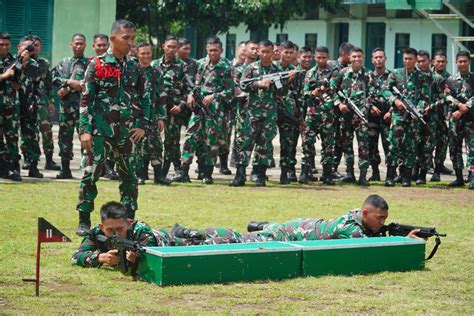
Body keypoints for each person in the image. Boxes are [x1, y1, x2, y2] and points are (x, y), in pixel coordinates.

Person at [76, 19, 151, 236]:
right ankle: (84, 218)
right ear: (113, 39)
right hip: (100, 131)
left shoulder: (134, 66)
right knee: (91, 174)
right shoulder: (97, 64)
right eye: (125, 38)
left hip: (126, 133)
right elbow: (86, 99)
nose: (130, 43)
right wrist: (85, 130)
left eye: (132, 39)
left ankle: (128, 219)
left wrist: (143, 126)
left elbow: (145, 98)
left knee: (129, 177)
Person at [177, 195, 421, 245]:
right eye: (379, 218)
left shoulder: (358, 218)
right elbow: (369, 246)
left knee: (260, 232)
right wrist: (404, 241)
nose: (382, 223)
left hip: (300, 227)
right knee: (240, 240)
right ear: (365, 213)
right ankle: (192, 234)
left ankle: (260, 225)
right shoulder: (350, 227)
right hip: (289, 234)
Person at [72, 201, 240, 268]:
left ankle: (187, 233)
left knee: (218, 241)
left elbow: (153, 260)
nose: (116, 234)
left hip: (167, 243)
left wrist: (136, 259)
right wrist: (99, 258)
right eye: (110, 230)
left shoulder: (140, 230)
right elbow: (76, 256)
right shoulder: (96, 232)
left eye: (120, 229)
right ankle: (185, 231)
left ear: (129, 222)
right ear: (101, 226)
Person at [229, 40, 295, 187]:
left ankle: (260, 174)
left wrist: (288, 81)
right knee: (246, 142)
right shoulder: (251, 68)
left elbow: (281, 91)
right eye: (263, 51)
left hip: (269, 113)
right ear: (258, 52)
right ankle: (240, 175)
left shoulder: (275, 71)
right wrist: (258, 84)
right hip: (252, 112)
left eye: (268, 52)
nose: (265, 55)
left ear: (273, 53)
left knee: (265, 143)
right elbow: (243, 85)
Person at [173, 36, 234, 184]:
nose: (212, 53)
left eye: (216, 50)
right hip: (198, 108)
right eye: (210, 50)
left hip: (214, 110)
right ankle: (184, 171)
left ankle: (207, 173)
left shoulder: (226, 68)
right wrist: (190, 95)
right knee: (190, 137)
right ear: (206, 49)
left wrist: (214, 96)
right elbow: (192, 84)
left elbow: (231, 91)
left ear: (221, 50)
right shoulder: (200, 64)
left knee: (210, 141)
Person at [383, 48, 430, 187]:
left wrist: (418, 111)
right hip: (398, 115)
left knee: (411, 146)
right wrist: (394, 101)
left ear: (415, 59)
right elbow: (385, 90)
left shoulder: (422, 77)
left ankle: (407, 176)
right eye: (405, 59)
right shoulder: (395, 74)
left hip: (414, 116)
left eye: (410, 59)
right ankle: (390, 175)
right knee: (393, 145)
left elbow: (425, 97)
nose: (407, 61)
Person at [330, 47, 372, 186]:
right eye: (354, 57)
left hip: (361, 116)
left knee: (363, 146)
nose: (357, 59)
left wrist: (367, 106)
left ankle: (363, 176)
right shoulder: (342, 73)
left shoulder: (368, 74)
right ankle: (350, 174)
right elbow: (333, 89)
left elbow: (374, 93)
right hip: (346, 116)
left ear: (363, 57)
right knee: (346, 145)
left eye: (359, 56)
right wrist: (338, 104)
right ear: (349, 58)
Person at [151, 35, 189, 178]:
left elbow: (189, 89)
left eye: (174, 47)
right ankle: (157, 169)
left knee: (172, 141)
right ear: (163, 46)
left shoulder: (183, 66)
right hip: (157, 109)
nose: (172, 49)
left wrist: (181, 105)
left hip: (174, 109)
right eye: (169, 46)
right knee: (155, 140)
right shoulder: (154, 64)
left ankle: (169, 170)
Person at [52, 33, 88, 179]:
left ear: (85, 45)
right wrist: (68, 83)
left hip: (83, 108)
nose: (78, 46)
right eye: (76, 43)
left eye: (81, 43)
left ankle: (86, 170)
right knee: (64, 139)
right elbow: (53, 78)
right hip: (66, 108)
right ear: (71, 44)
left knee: (85, 139)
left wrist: (69, 88)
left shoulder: (89, 63)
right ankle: (65, 169)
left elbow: (88, 82)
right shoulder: (64, 62)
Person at [135, 42, 171, 185]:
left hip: (153, 115)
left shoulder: (156, 73)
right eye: (143, 53)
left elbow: (162, 96)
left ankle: (159, 175)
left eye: (148, 53)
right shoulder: (132, 71)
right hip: (136, 116)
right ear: (137, 53)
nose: (145, 56)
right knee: (138, 145)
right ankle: (140, 174)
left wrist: (162, 117)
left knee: (155, 144)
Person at [299, 46, 336, 185]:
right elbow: (304, 92)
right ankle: (305, 171)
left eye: (324, 57)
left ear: (328, 57)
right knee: (307, 143)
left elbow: (333, 87)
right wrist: (312, 93)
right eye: (318, 57)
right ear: (315, 57)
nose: (321, 60)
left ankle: (327, 173)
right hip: (312, 114)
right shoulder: (310, 73)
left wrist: (324, 88)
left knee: (328, 145)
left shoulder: (333, 72)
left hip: (327, 114)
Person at [28, 35, 60, 172]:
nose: (34, 47)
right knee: (29, 133)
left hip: (42, 103)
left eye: (37, 45)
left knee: (47, 131)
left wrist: (52, 101)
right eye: (32, 45)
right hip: (27, 103)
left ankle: (49, 160)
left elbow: (49, 84)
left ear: (40, 47)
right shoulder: (24, 62)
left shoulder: (44, 63)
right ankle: (29, 160)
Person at [445, 50, 473, 189]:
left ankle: (472, 177)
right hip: (455, 120)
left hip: (471, 120)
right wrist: (459, 105)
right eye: (460, 61)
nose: (462, 64)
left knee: (472, 149)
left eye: (465, 61)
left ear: (469, 62)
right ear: (456, 63)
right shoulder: (450, 80)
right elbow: (447, 96)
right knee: (455, 148)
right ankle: (459, 178)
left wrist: (466, 106)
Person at [17, 36, 44, 178]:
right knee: (11, 136)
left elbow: (38, 86)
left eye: (30, 48)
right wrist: (22, 61)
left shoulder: (35, 65)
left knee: (32, 136)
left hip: (29, 106)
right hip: (12, 105)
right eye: (24, 47)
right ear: (19, 48)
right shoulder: (12, 62)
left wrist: (35, 101)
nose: (27, 50)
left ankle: (33, 165)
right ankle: (11, 166)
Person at [367, 48, 391, 182]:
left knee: (389, 145)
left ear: (385, 59)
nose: (378, 60)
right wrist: (370, 106)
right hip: (372, 117)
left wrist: (391, 112)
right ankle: (375, 172)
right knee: (371, 145)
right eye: (376, 57)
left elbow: (399, 95)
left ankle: (390, 174)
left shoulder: (392, 76)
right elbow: (363, 95)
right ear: (372, 60)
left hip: (387, 116)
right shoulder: (367, 77)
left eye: (381, 57)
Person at [0, 32, 21, 181]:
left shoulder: (15, 61)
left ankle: (14, 169)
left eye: (7, 44)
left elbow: (20, 83)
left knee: (12, 138)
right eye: (1, 44)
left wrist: (18, 71)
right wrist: (4, 75)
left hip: (10, 107)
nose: (4, 47)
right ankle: (2, 168)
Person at [430, 51, 452, 181]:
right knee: (428, 143)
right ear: (433, 62)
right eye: (438, 61)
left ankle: (438, 167)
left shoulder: (450, 78)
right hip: (429, 115)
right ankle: (426, 165)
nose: (440, 64)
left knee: (442, 143)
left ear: (446, 63)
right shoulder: (427, 76)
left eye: (443, 61)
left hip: (443, 116)